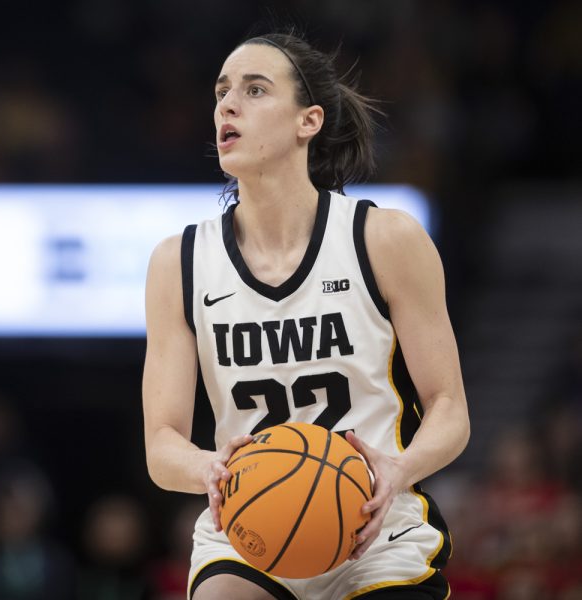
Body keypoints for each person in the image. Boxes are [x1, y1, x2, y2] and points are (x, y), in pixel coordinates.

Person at [142, 31, 470, 600]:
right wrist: (206, 470)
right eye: (222, 91)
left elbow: (450, 409)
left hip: (375, 524)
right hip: (252, 527)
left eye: (255, 89)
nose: (227, 103)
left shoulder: (385, 238)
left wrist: (398, 467)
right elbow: (162, 442)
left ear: (308, 121)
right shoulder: (180, 260)